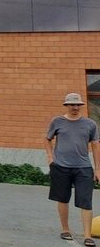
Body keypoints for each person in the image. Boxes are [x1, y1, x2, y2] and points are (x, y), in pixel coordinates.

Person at [45, 92, 100, 246]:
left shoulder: (90, 124)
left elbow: (96, 146)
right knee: (62, 198)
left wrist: (97, 169)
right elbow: (47, 139)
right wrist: (50, 157)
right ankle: (65, 229)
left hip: (83, 168)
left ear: (81, 106)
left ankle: (87, 236)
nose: (75, 107)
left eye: (78, 105)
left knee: (86, 201)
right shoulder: (57, 121)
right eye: (72, 105)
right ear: (66, 105)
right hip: (61, 167)